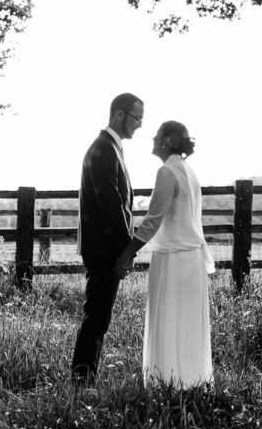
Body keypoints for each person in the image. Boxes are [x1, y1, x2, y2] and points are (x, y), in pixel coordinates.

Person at [115, 121, 214, 389]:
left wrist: (126, 254)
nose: (152, 139)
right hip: (191, 259)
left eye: (157, 135)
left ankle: (166, 382)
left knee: (169, 321)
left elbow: (153, 220)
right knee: (188, 324)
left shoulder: (167, 171)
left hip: (173, 259)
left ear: (168, 140)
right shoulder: (188, 171)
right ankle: (190, 381)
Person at [70, 93, 145, 385]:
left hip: (105, 248)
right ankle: (81, 382)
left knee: (99, 317)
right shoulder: (104, 149)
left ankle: (84, 379)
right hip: (103, 249)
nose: (139, 125)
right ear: (119, 115)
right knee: (96, 318)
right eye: (137, 118)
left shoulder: (112, 148)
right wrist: (127, 249)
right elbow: (111, 206)